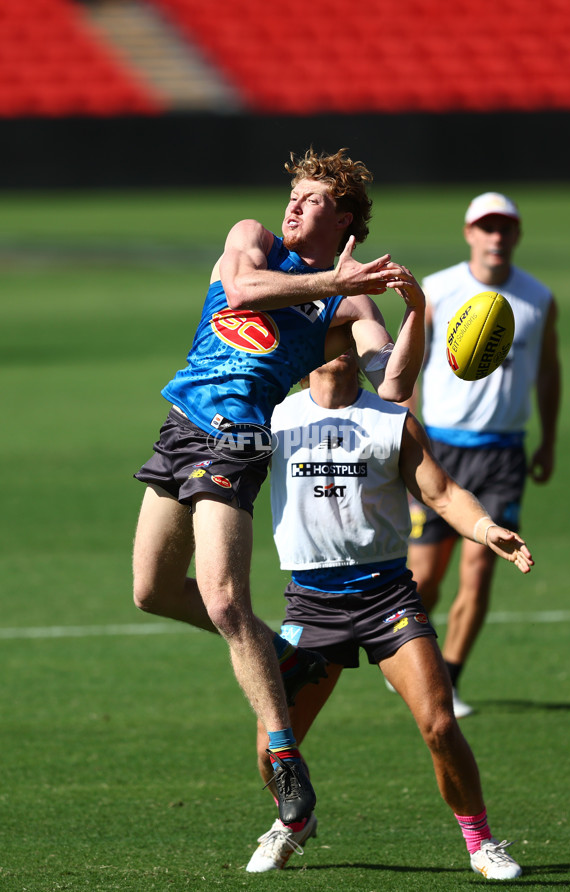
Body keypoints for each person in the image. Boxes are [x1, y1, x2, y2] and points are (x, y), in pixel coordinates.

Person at [132, 148, 426, 828]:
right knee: (151, 591)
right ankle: (288, 655)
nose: (293, 204)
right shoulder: (252, 239)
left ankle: (286, 756)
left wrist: (416, 312)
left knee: (226, 601)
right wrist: (332, 281)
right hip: (179, 427)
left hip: (236, 443)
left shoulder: (348, 301)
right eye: (294, 192)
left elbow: (392, 381)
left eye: (312, 198)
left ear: (344, 217)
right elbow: (240, 293)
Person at [246, 351, 533, 879]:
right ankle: (293, 823)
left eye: (346, 333)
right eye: (326, 332)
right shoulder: (275, 416)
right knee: (271, 746)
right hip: (311, 602)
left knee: (441, 725)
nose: (335, 343)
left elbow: (441, 492)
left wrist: (486, 528)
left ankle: (481, 843)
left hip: (387, 598)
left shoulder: (391, 419)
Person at [405, 191, 560, 718]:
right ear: (470, 232)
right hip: (441, 448)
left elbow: (549, 370)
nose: (496, 237)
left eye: (505, 228)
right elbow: (409, 363)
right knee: (423, 577)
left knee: (480, 567)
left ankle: (447, 682)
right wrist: (408, 433)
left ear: (516, 234)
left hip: (504, 455)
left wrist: (549, 440)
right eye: (486, 227)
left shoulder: (538, 298)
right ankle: (411, 663)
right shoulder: (440, 290)